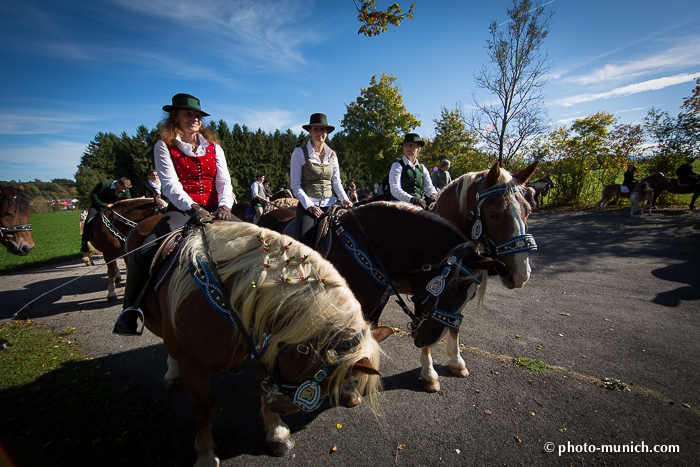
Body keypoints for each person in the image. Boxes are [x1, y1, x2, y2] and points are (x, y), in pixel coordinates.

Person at [113, 93, 234, 336]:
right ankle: (129, 311)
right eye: (189, 114)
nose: (195, 118)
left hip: (215, 210)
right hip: (182, 211)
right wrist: (194, 208)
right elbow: (169, 185)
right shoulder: (164, 146)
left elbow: (224, 181)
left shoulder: (214, 148)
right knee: (146, 249)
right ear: (175, 116)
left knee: (258, 241)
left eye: (198, 115)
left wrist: (224, 206)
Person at [290, 113, 352, 246]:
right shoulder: (299, 153)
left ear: (327, 132)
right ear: (310, 131)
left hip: (331, 204)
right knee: (305, 244)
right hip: (309, 205)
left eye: (323, 129)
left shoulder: (332, 155)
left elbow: (336, 181)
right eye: (316, 129)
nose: (320, 133)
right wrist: (310, 206)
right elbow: (295, 185)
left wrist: (345, 199)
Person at [80, 177, 132, 252]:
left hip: (114, 208)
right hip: (98, 206)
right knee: (89, 220)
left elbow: (127, 201)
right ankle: (84, 242)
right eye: (122, 188)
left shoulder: (125, 190)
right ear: (117, 184)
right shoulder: (104, 184)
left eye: (125, 189)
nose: (123, 190)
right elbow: (93, 195)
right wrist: (104, 205)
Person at [388, 133, 438, 209]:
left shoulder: (422, 168)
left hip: (417, 206)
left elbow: (429, 187)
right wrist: (412, 199)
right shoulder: (397, 165)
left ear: (419, 148)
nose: (408, 148)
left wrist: (433, 195)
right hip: (399, 206)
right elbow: (395, 189)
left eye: (411, 145)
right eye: (405, 145)